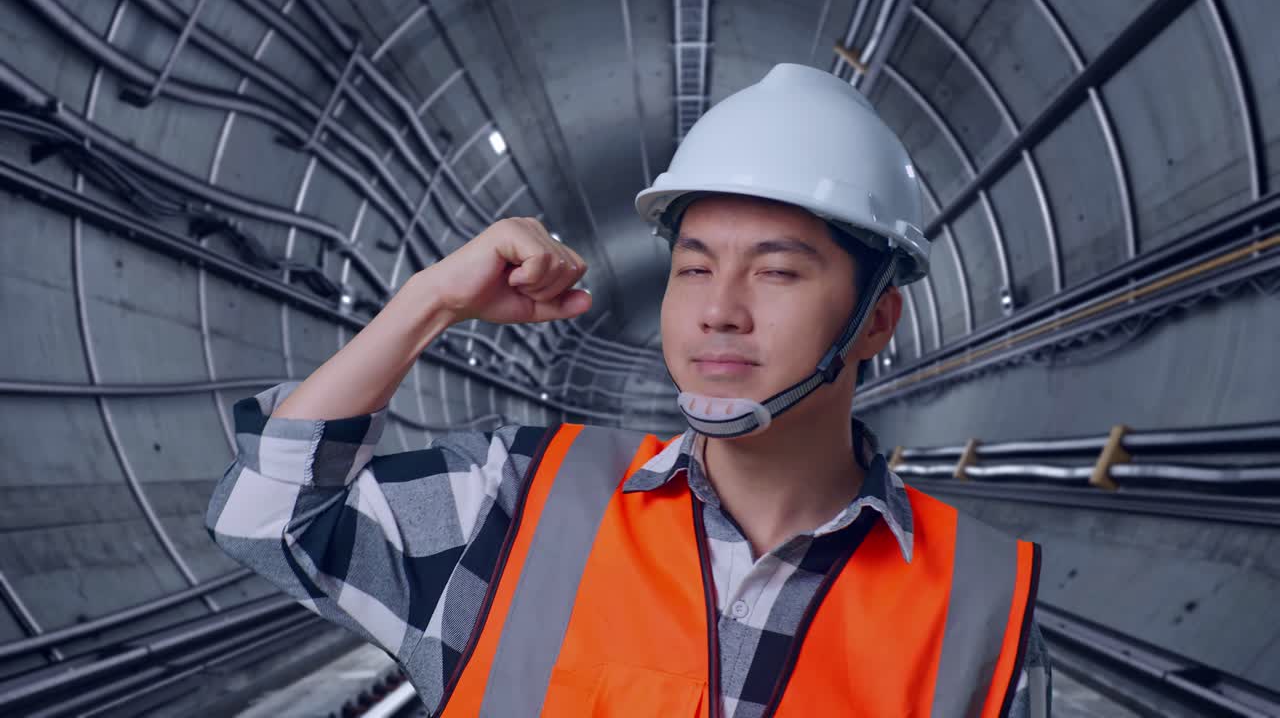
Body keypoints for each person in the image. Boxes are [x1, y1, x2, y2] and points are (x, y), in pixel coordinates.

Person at [207, 63, 1050, 717]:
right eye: (692, 268)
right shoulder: (514, 503)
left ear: (877, 319)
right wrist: (430, 302)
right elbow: (265, 514)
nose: (720, 311)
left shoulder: (978, 603)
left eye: (779, 272)